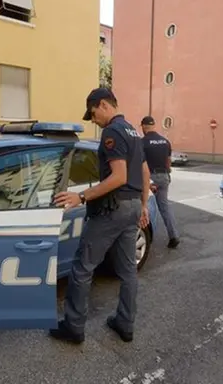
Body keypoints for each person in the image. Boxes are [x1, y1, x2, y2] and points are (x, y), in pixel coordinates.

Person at [50, 87, 150, 345]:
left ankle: (73, 327)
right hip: (131, 208)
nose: (93, 120)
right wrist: (143, 206)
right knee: (128, 271)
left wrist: (80, 197)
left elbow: (119, 177)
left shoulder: (113, 132)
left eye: (93, 114)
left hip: (112, 209)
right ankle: (125, 324)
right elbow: (144, 172)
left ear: (104, 105)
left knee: (83, 267)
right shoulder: (134, 132)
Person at [140, 116, 180, 248]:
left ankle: (142, 236)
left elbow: (140, 164)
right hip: (164, 176)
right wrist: (167, 172)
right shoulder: (165, 141)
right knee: (164, 207)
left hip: (150, 178)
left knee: (144, 206)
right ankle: (173, 236)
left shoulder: (142, 142)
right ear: (154, 125)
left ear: (144, 126)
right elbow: (168, 161)